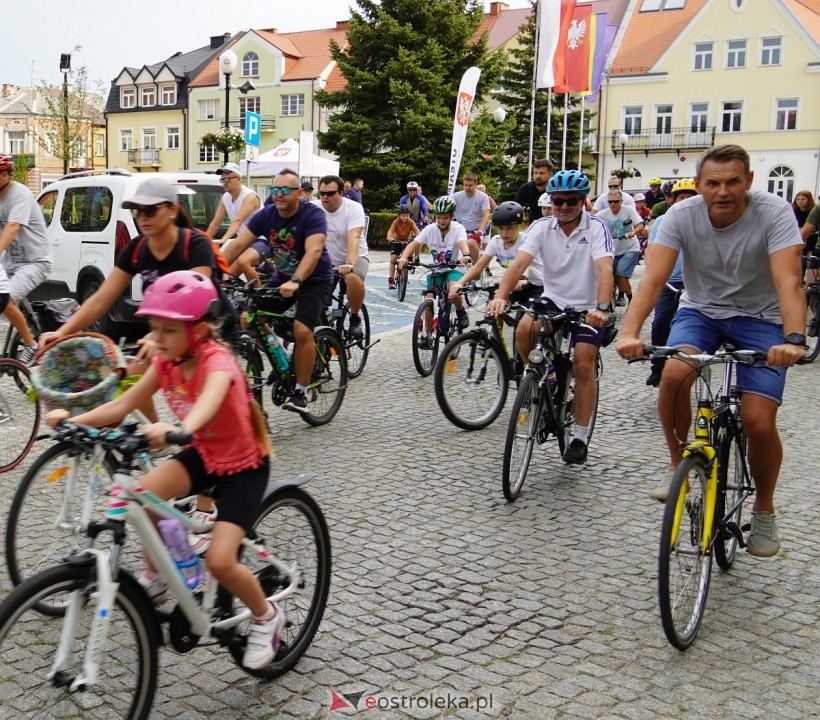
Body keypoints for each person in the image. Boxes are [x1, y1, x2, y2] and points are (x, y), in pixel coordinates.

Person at [44, 270, 284, 670]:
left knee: (221, 562)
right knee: (144, 497)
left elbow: (212, 396)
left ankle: (266, 616)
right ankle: (157, 576)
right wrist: (74, 419)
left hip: (243, 466)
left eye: (167, 330)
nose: (156, 338)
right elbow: (123, 405)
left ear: (200, 329)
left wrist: (180, 429)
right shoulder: (169, 359)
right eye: (154, 328)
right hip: (204, 454)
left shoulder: (216, 360)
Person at [616, 144, 805, 558]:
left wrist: (793, 339)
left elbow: (789, 280)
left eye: (733, 181)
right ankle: (675, 467)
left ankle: (765, 508)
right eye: (713, 183)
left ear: (749, 182)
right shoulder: (681, 216)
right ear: (699, 186)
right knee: (674, 374)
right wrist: (629, 332)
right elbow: (652, 280)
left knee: (757, 420)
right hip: (701, 311)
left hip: (763, 318)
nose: (723, 191)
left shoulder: (773, 212)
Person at [487, 170, 614, 465]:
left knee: (583, 364)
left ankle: (580, 436)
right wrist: (500, 297)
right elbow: (518, 264)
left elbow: (605, 269)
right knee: (524, 330)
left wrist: (603, 308)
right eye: (558, 201)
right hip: (554, 298)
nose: (564, 207)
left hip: (587, 305)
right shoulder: (543, 227)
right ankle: (546, 380)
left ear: (583, 201)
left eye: (571, 201)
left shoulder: (596, 228)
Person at [223, 168, 334, 414]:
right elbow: (239, 245)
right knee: (248, 319)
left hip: (314, 279)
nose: (279, 195)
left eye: (285, 190)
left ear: (298, 193)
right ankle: (283, 357)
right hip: (282, 278)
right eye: (275, 189)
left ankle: (300, 392)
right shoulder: (266, 215)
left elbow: (314, 251)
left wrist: (296, 280)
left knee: (301, 329)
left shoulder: (312, 215)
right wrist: (210, 273)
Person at [643, 177, 698, 388]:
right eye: (681, 197)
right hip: (670, 281)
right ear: (672, 200)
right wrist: (653, 273)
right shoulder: (663, 221)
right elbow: (653, 250)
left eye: (690, 198)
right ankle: (658, 367)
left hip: (696, 284)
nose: (685, 202)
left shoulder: (706, 220)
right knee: (661, 322)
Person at [0, 154, 54, 363]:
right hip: (10, 263)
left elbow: (13, 227)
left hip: (35, 262)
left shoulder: (19, 194)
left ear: (5, 175)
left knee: (5, 299)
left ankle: (31, 344)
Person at [398, 195, 471, 334]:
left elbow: (462, 242)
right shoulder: (430, 229)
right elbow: (414, 244)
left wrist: (466, 255)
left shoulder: (458, 228)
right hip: (435, 268)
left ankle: (461, 312)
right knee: (429, 300)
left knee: (452, 289)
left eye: (445, 217)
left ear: (451, 216)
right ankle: (428, 335)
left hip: (454, 267)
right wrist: (404, 257)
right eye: (438, 217)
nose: (442, 221)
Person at [449, 201, 543, 306]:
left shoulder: (526, 240)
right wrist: (459, 283)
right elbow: (479, 266)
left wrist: (523, 279)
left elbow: (525, 265)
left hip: (537, 285)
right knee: (493, 308)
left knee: (528, 321)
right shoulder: (496, 241)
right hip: (515, 283)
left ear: (519, 226)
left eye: (509, 228)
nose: (504, 233)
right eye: (501, 228)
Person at [315, 175, 368, 338]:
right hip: (325, 261)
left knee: (353, 279)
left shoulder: (353, 208)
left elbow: (354, 237)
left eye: (330, 193)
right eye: (322, 193)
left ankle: (354, 317)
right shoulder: (313, 208)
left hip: (354, 256)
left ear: (341, 193)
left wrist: (349, 263)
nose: (325, 197)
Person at [207, 163, 268, 287]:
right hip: (244, 242)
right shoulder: (226, 198)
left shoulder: (249, 197)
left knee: (243, 261)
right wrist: (203, 241)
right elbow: (215, 223)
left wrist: (224, 239)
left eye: (227, 179)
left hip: (262, 240)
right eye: (222, 179)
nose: (224, 182)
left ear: (238, 179)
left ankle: (260, 300)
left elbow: (238, 220)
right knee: (222, 274)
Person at [594, 189, 644, 306]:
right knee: (609, 276)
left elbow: (640, 225)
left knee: (621, 274)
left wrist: (632, 233)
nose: (613, 205)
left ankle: (631, 299)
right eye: (610, 202)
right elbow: (590, 222)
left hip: (630, 248)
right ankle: (614, 298)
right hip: (611, 252)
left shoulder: (629, 210)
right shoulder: (603, 214)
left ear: (621, 201)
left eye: (615, 202)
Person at [452, 173, 490, 264]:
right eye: (465, 185)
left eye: (470, 185)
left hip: (476, 229)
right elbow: (450, 213)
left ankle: (476, 266)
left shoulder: (483, 197)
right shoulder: (456, 196)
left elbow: (486, 215)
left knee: (471, 243)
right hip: (460, 229)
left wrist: (480, 230)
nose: (467, 188)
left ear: (475, 185)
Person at [387, 204, 421, 290]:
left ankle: (412, 259)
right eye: (403, 215)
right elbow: (390, 232)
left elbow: (417, 232)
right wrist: (390, 238)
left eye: (407, 215)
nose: (405, 217)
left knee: (406, 254)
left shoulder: (411, 222)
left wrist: (418, 237)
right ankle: (391, 280)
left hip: (406, 242)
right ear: (399, 215)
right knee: (393, 259)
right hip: (397, 241)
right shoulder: (396, 222)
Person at [515, 157, 555, 224]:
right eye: (535, 173)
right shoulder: (526, 188)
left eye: (542, 173)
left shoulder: (555, 190)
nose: (538, 176)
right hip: (534, 227)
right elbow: (515, 208)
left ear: (550, 175)